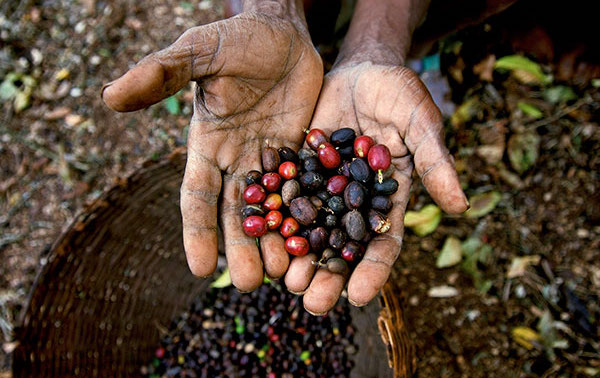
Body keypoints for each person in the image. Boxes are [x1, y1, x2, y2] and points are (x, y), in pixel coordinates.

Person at [102, 0, 481, 316]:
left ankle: (405, 48)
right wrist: (273, 11)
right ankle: (316, 31)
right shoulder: (314, 189)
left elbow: (333, 188)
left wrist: (379, 45)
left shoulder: (335, 186)